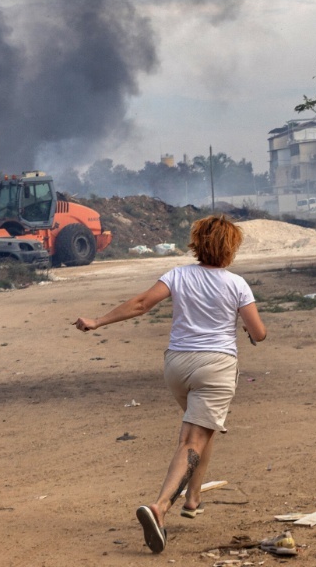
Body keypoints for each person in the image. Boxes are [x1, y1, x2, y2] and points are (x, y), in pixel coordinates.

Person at [74, 215, 267, 554]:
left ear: (197, 243)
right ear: (231, 248)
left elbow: (141, 304)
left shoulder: (178, 275)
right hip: (216, 367)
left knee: (203, 431)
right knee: (192, 440)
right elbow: (259, 332)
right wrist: (249, 330)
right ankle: (160, 508)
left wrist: (98, 321)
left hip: (177, 366)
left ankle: (192, 499)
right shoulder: (236, 284)